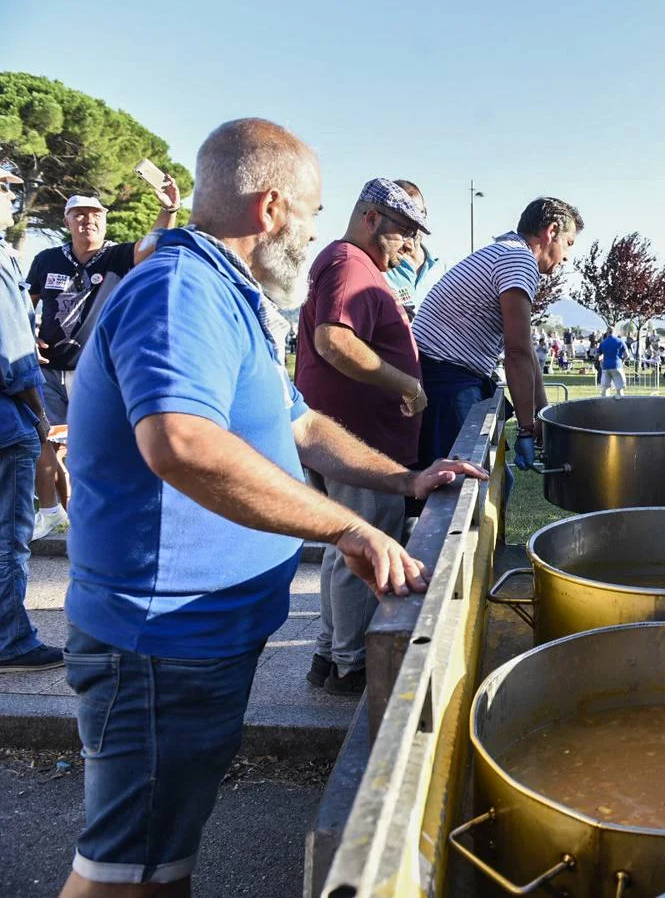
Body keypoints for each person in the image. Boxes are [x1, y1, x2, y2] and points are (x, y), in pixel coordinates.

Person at [57, 118, 485, 898]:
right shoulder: (180, 291)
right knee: (126, 873)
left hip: (201, 641)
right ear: (271, 209)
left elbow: (304, 428)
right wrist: (346, 525)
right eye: (314, 214)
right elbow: (181, 444)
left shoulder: (228, 295)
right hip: (159, 643)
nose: (317, 232)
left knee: (158, 859)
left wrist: (404, 480)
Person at [294, 177, 430, 694]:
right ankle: (352, 665)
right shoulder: (351, 263)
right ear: (370, 217)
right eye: (403, 232)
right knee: (366, 551)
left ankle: (330, 655)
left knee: (343, 549)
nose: (410, 246)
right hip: (359, 442)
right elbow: (334, 340)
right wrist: (405, 384)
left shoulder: (348, 263)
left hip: (346, 437)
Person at [24, 184, 181, 540]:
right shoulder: (47, 258)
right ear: (67, 222)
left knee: (94, 445)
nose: (87, 222)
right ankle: (52, 512)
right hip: (48, 369)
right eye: (79, 215)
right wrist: (26, 335)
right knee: (45, 441)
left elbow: (152, 245)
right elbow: (24, 302)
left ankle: (97, 516)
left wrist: (169, 211)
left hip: (93, 371)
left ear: (105, 223)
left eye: (95, 215)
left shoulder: (118, 256)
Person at [411, 197, 582, 471]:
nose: (566, 257)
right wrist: (526, 429)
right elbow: (516, 353)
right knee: (463, 487)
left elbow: (525, 349)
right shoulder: (518, 259)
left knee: (493, 481)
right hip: (445, 380)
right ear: (551, 232)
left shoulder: (506, 252)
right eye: (568, 243)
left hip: (444, 374)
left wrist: (542, 416)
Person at [0, 165, 61, 674]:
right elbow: (15, 358)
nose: (10, 200)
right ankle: (11, 642)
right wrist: (40, 416)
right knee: (8, 536)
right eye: (4, 189)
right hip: (6, 422)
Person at [383, 180, 448, 318]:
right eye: (405, 215)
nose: (414, 223)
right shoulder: (380, 269)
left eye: (419, 213)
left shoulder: (444, 269)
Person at [597, 328, 627, 397]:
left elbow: (596, 356)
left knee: (605, 388)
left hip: (606, 367)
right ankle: (620, 404)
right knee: (619, 388)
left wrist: (601, 360)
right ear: (614, 332)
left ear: (607, 333)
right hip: (617, 366)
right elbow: (626, 355)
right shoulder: (620, 341)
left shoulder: (603, 343)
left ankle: (605, 404)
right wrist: (622, 361)